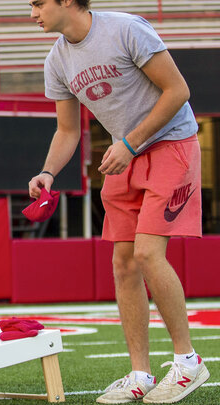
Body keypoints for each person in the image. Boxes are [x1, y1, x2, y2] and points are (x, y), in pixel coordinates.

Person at [27, 0, 210, 403]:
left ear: (68, 2)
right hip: (124, 154)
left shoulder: (127, 29)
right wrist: (47, 172)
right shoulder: (57, 60)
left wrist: (129, 142)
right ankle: (140, 373)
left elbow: (178, 91)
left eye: (38, 3)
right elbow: (67, 130)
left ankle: (189, 361)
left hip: (170, 145)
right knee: (123, 262)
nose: (33, 13)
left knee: (147, 254)